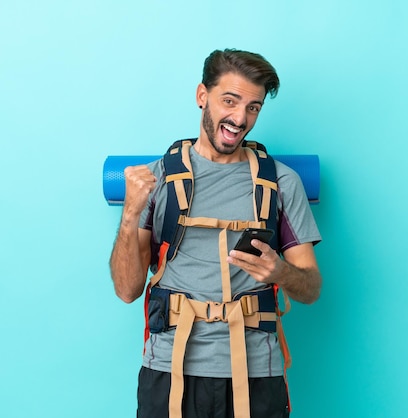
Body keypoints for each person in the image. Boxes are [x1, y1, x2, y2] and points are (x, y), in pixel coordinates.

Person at [109, 48, 322, 418]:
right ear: (201, 96)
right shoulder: (156, 179)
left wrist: (280, 273)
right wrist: (130, 215)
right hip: (170, 371)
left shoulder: (282, 183)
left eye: (253, 107)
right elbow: (128, 290)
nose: (240, 118)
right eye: (230, 101)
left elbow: (312, 288)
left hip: (256, 371)